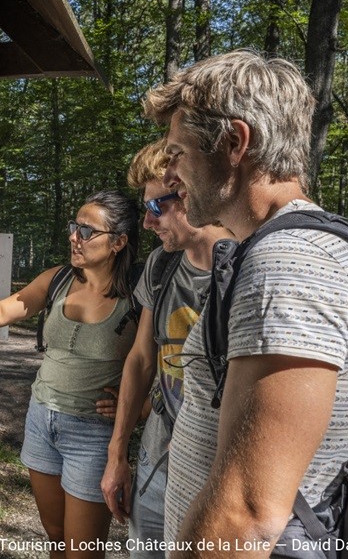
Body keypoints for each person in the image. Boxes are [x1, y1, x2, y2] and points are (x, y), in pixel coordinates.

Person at [142, 50, 348, 557]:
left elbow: (248, 516)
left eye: (179, 153)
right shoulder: (312, 245)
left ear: (234, 141)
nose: (173, 174)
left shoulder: (290, 264)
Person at [0, 190, 140, 559]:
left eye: (87, 231)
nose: (74, 236)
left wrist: (141, 406)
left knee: (83, 551)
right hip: (41, 422)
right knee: (55, 537)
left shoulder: (139, 294)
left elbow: (158, 361)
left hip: (92, 433)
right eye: (74, 226)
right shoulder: (57, 279)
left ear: (118, 242)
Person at [99, 140, 228, 557]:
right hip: (158, 449)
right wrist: (118, 452)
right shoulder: (161, 264)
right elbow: (140, 359)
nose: (149, 224)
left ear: (189, 192)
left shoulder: (248, 266)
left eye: (156, 208)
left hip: (216, 464)